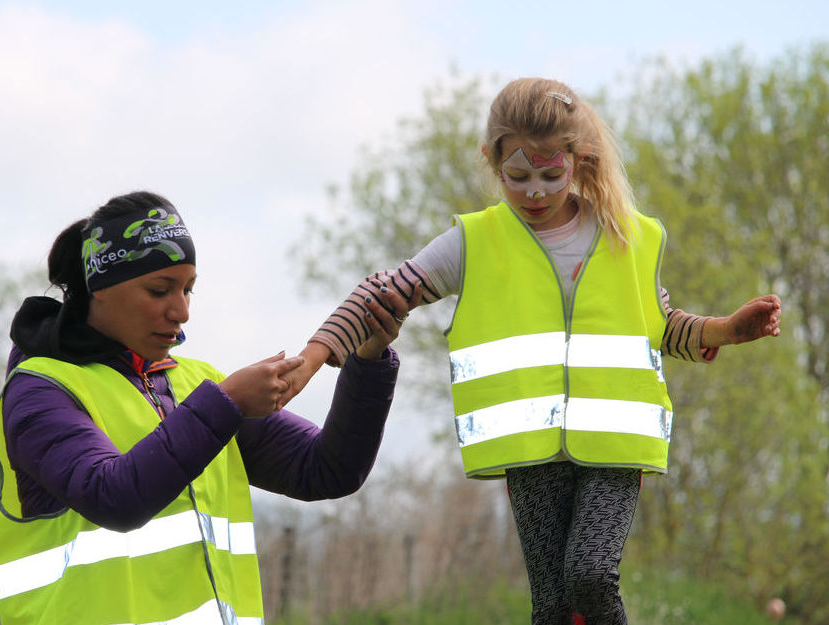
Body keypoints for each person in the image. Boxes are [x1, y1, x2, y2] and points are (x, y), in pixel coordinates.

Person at [285, 78, 782, 624]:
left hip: (615, 444)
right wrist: (313, 357)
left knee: (591, 576)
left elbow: (662, 326)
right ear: (491, 161)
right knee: (552, 608)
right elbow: (382, 292)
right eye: (517, 177)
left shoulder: (625, 235)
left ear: (579, 159)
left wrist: (725, 330)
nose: (536, 192)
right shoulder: (473, 243)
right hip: (529, 449)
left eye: (551, 174)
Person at [0, 190, 418, 625]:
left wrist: (368, 360)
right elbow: (114, 498)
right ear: (99, 288)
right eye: (160, 290)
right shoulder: (40, 391)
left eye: (189, 289)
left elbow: (328, 469)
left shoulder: (196, 383)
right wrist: (226, 402)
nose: (182, 311)